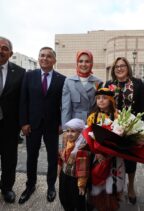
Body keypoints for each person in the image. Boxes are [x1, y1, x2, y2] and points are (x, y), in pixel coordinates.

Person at [19, 47, 66, 204]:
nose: (44, 58)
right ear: (38, 58)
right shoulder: (29, 76)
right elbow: (23, 100)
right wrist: (24, 122)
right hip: (32, 125)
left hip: (53, 127)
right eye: (42, 56)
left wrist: (62, 123)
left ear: (54, 60)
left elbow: (63, 104)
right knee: (32, 157)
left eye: (48, 56)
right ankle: (30, 185)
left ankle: (51, 186)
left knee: (53, 158)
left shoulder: (61, 79)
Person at [105, 57, 144, 204]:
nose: (119, 69)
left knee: (130, 159)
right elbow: (103, 105)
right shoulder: (109, 84)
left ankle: (130, 187)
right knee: (112, 158)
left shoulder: (137, 84)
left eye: (122, 66)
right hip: (112, 127)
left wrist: (142, 130)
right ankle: (114, 187)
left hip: (131, 128)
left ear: (128, 67)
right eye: (116, 67)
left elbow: (143, 107)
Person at [87, 87, 125, 211]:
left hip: (114, 156)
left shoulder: (117, 115)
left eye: (104, 98)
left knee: (112, 180)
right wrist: (97, 153)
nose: (101, 101)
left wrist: (112, 152)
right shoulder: (92, 116)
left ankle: (112, 203)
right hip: (98, 155)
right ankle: (98, 202)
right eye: (98, 98)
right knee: (99, 178)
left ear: (111, 100)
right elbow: (89, 136)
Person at [0, 36, 25, 203]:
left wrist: (23, 124)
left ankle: (7, 188)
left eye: (4, 48)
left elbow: (23, 101)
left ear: (10, 53)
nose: (0, 51)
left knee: (9, 160)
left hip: (9, 126)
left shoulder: (20, 72)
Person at [61, 50, 103, 125]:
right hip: (75, 124)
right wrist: (66, 128)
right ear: (77, 63)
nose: (83, 64)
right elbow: (66, 108)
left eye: (87, 61)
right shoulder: (69, 81)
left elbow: (101, 107)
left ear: (91, 63)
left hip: (93, 122)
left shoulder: (98, 82)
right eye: (80, 61)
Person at [58, 118, 90, 211]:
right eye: (67, 131)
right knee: (64, 196)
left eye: (73, 131)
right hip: (64, 175)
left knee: (77, 200)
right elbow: (60, 156)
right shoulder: (66, 142)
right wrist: (59, 168)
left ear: (80, 133)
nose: (69, 134)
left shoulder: (81, 148)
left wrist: (81, 185)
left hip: (76, 179)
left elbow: (83, 168)